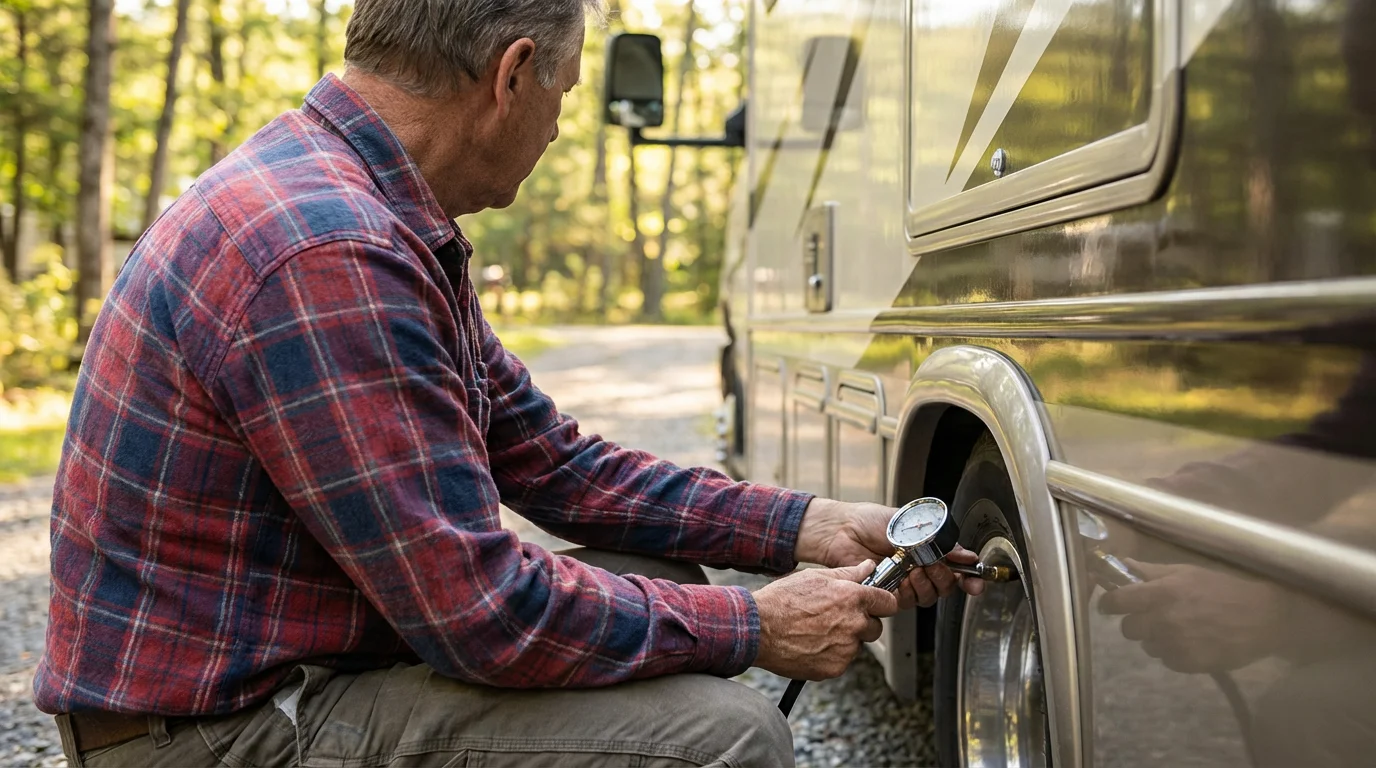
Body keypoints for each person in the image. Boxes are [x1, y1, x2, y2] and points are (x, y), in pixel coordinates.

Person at [34, 1, 984, 766]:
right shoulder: (331, 251)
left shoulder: (365, 208)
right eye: (565, 90)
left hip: (275, 672)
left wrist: (801, 526)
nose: (563, 123)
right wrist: (754, 623)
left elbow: (560, 466)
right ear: (513, 72)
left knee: (649, 579)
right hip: (216, 732)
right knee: (728, 741)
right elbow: (477, 613)